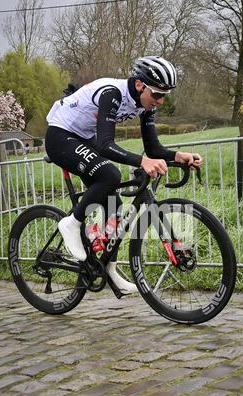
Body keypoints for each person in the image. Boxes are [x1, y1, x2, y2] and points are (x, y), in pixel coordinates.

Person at [45, 56, 203, 294]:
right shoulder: (113, 93)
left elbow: (153, 149)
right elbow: (106, 145)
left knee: (114, 208)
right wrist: (142, 161)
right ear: (140, 85)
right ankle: (72, 224)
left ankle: (109, 269)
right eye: (157, 95)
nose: (160, 101)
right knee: (111, 175)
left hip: (83, 138)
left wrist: (178, 155)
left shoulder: (145, 103)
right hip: (60, 136)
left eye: (164, 96)